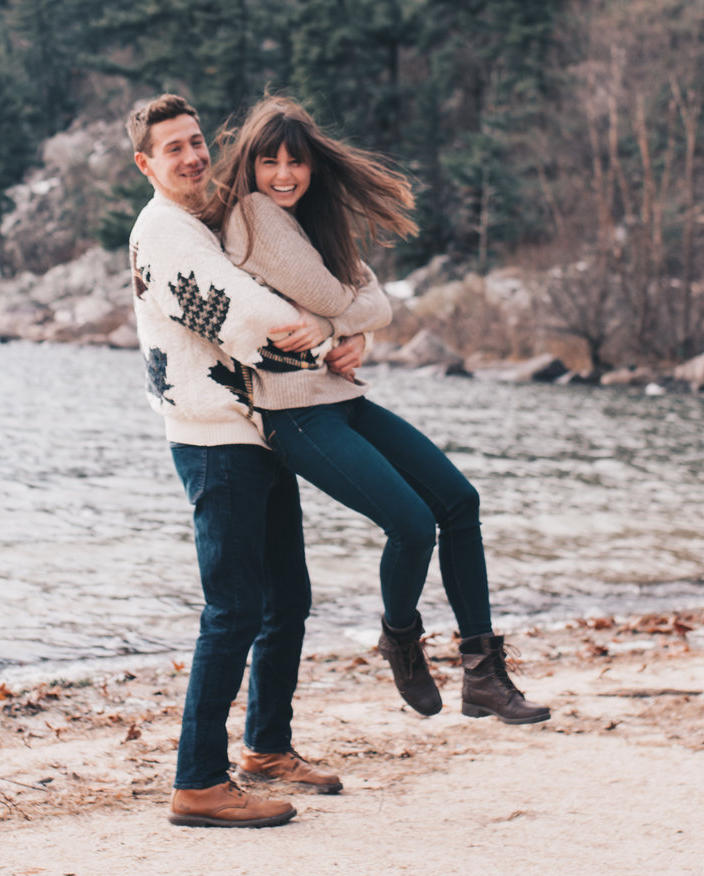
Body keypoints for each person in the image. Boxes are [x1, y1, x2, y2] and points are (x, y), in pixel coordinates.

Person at [203, 95, 550, 725]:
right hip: (294, 412)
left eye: (296, 162)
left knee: (459, 502)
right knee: (413, 525)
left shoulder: (309, 221)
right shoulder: (254, 215)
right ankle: (400, 636)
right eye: (270, 161)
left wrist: (335, 328)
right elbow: (344, 294)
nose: (284, 174)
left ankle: (482, 671)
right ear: (249, 166)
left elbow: (375, 299)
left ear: (313, 167)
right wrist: (339, 318)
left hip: (342, 395)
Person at [123, 93, 365, 829]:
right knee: (233, 610)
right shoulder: (164, 232)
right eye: (174, 148)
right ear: (146, 163)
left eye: (197, 141)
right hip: (212, 438)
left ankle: (265, 747)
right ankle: (197, 780)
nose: (194, 156)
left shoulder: (205, 219)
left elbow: (295, 284)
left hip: (255, 428)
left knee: (285, 598)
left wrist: (348, 334)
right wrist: (334, 341)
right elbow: (248, 312)